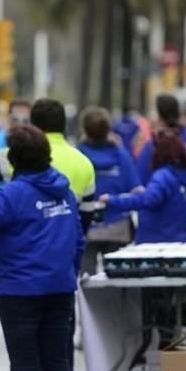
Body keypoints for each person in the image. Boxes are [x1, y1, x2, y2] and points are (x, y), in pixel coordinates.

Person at [0, 125, 83, 371]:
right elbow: (78, 239)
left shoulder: (10, 194)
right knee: (57, 360)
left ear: (14, 159)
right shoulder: (64, 192)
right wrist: (69, 272)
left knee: (24, 361)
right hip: (60, 286)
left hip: (19, 290)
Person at [101, 127, 186, 243]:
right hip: (181, 242)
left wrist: (112, 200)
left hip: (156, 245)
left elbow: (146, 200)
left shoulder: (163, 177)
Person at [77, 107, 140, 272]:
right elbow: (136, 190)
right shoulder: (121, 155)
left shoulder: (78, 155)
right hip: (118, 226)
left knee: (85, 279)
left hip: (86, 226)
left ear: (85, 129)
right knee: (117, 280)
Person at [31, 99, 97, 229]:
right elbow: (87, 214)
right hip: (66, 242)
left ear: (33, 125)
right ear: (64, 125)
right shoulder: (84, 162)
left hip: (26, 242)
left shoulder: (17, 155)